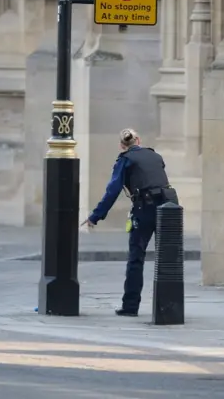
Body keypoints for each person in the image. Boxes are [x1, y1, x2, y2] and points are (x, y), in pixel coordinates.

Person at [82, 128, 178, 317]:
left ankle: (130, 306)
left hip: (144, 209)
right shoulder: (155, 156)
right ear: (138, 140)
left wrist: (95, 216)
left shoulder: (125, 160)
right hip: (169, 207)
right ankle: (169, 306)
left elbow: (113, 191)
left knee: (136, 258)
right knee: (168, 258)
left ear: (122, 145)